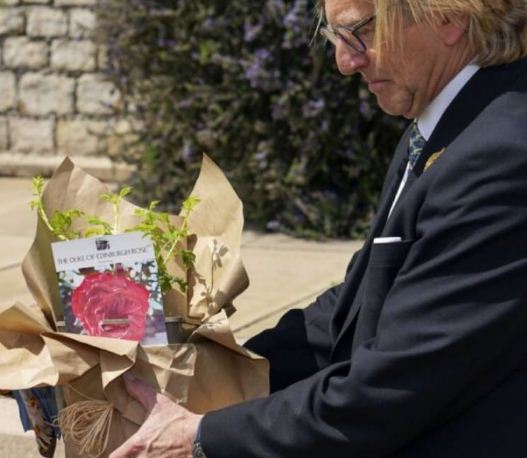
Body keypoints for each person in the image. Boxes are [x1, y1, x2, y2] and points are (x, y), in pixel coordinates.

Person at [111, 0, 527, 456]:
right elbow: (355, 309)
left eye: (359, 32)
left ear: (447, 17)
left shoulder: (498, 156)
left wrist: (201, 436)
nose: (345, 62)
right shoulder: (443, 128)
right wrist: (209, 370)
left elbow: (393, 387)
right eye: (336, 37)